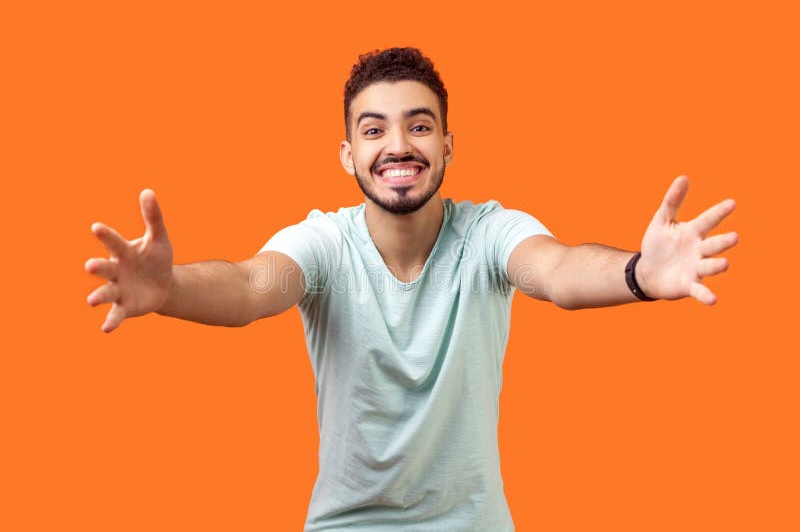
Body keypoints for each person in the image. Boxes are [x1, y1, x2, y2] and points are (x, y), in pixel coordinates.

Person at [85, 47, 738, 531]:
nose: (398, 146)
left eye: (419, 126)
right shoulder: (324, 244)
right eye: (374, 130)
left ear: (448, 144)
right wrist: (169, 290)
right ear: (348, 154)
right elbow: (253, 285)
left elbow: (558, 270)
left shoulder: (487, 233)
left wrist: (637, 275)